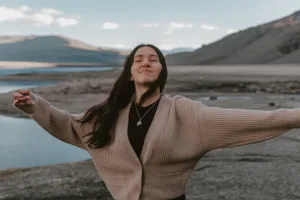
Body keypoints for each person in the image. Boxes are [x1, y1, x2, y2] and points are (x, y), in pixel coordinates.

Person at [12, 44, 300, 200]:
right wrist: (35, 104)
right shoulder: (107, 114)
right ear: (129, 73)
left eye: (153, 59)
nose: (145, 62)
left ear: (162, 72)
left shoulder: (185, 112)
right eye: (138, 59)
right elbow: (71, 125)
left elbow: (257, 118)